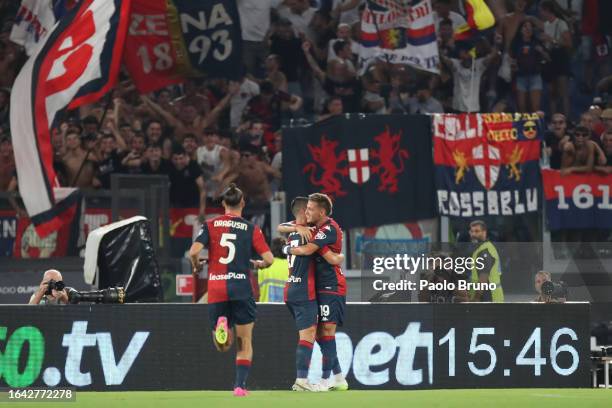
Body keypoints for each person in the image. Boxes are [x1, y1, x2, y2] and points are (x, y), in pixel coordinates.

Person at [188, 184, 274, 397]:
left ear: (224, 203)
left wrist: (197, 265)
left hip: (217, 287)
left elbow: (194, 251)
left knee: (222, 347)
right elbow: (269, 259)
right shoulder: (251, 228)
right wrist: (259, 265)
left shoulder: (210, 225)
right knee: (244, 341)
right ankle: (239, 386)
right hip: (241, 289)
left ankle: (223, 326)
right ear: (242, 203)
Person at [282, 193, 348, 391]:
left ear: (322, 211)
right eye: (306, 208)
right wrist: (297, 227)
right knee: (320, 334)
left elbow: (309, 250)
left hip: (331, 286)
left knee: (326, 331)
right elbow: (281, 227)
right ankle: (339, 378)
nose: (307, 211)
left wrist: (286, 249)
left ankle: (326, 380)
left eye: (310, 209)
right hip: (315, 287)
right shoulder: (313, 228)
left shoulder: (328, 228)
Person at [468, 220, 504, 302]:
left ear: (484, 232)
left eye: (477, 231)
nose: (473, 234)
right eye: (472, 231)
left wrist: (476, 298)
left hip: (489, 298)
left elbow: (483, 278)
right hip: (489, 297)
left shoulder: (485, 251)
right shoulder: (482, 248)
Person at [257, 238, 289, 303]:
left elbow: (257, 291)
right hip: (286, 309)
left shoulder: (264, 265)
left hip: (264, 308)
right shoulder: (291, 266)